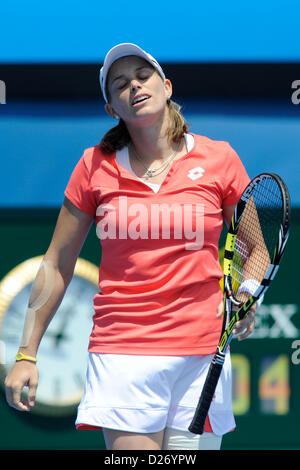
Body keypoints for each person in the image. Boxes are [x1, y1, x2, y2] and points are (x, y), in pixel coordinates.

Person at [4, 43, 256, 451]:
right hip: (123, 352)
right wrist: (26, 354)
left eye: (143, 76)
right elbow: (56, 263)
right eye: (120, 84)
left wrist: (247, 291)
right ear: (111, 109)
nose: (134, 86)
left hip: (203, 353)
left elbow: (253, 244)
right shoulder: (93, 166)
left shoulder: (219, 159)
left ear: (166, 86)